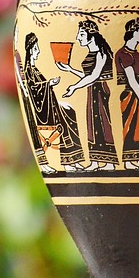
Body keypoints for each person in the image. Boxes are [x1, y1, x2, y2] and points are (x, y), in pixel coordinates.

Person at [58, 20, 119, 170]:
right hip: (92, 90)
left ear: (91, 36)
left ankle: (109, 163)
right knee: (92, 124)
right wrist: (70, 69)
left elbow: (94, 76)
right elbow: (88, 76)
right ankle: (95, 161)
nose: (78, 38)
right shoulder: (92, 53)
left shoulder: (101, 53)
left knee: (102, 124)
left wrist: (75, 87)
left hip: (100, 90)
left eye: (81, 34)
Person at [22, 32, 84, 172]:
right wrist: (49, 84)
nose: (38, 51)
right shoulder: (29, 71)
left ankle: (74, 159)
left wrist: (49, 86)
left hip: (49, 105)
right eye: (36, 48)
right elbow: (34, 90)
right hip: (42, 111)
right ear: (31, 50)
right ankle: (67, 162)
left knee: (70, 111)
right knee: (65, 118)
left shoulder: (35, 70)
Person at [115, 17, 139, 169]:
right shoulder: (124, 54)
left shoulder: (135, 53)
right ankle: (128, 161)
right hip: (130, 94)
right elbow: (131, 79)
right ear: (133, 32)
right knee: (130, 127)